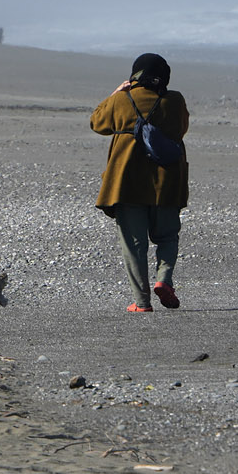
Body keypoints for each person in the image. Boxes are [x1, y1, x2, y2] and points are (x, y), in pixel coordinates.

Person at [90, 53, 190, 312]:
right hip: (166, 182)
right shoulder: (176, 101)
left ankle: (142, 302)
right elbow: (181, 129)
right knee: (168, 236)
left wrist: (116, 92)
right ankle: (164, 280)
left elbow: (97, 122)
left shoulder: (122, 100)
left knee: (134, 244)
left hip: (126, 183)